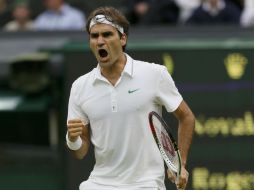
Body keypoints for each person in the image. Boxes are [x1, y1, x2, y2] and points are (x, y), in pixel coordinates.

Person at [66, 6, 195, 190]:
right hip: (99, 184)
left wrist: (180, 164)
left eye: (107, 35)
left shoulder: (155, 74)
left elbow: (186, 117)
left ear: (123, 38)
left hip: (145, 184)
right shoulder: (80, 87)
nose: (100, 41)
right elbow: (81, 151)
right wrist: (72, 139)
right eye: (94, 36)